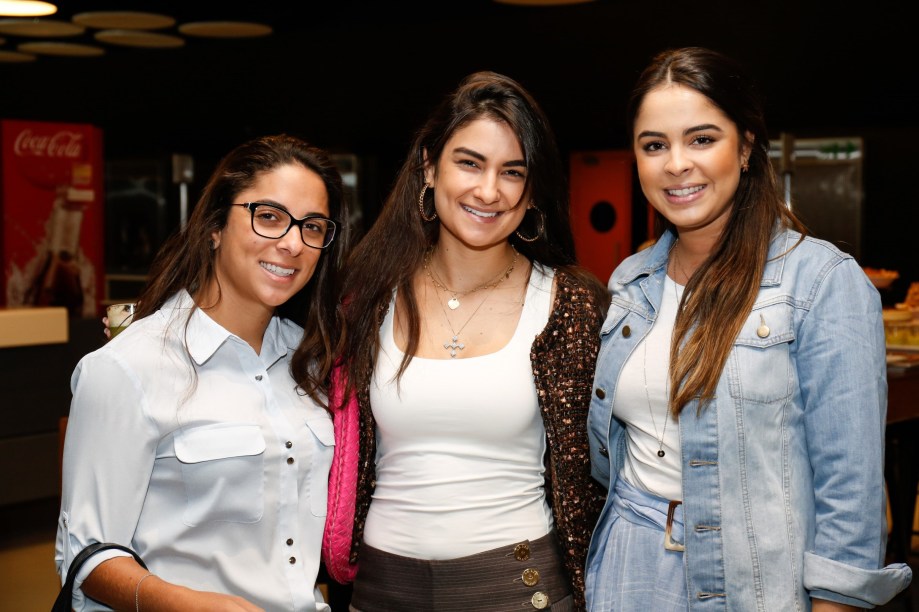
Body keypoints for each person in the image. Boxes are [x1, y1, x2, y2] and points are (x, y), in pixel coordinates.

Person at [584, 47, 912, 610]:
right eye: (654, 145)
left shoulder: (822, 281)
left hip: (755, 577)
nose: (676, 164)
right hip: (627, 564)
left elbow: (850, 492)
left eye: (702, 139)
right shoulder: (631, 281)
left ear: (746, 147)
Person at [332, 71, 609, 611]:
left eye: (513, 172)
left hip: (515, 586)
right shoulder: (366, 298)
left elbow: (605, 470)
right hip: (380, 589)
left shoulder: (570, 304)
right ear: (429, 167)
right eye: (469, 163)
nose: (489, 191)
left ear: (532, 193)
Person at [56, 134, 350, 611]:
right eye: (269, 217)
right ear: (215, 226)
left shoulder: (314, 365)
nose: (293, 243)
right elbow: (84, 557)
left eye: (313, 227)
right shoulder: (127, 368)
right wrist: (186, 604)